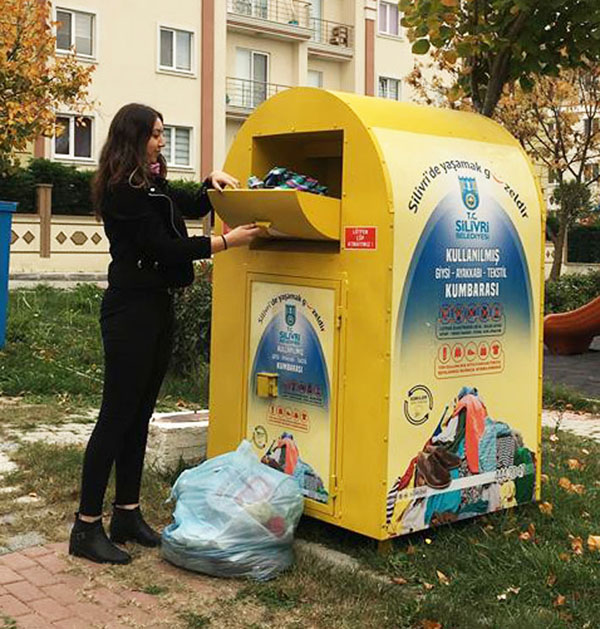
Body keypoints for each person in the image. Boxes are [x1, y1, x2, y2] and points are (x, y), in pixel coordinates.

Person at [69, 103, 261, 564]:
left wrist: (209, 186)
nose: (161, 140)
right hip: (130, 312)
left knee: (139, 416)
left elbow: (182, 207)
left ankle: (127, 514)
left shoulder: (149, 183)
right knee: (115, 417)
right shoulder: (122, 190)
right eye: (155, 134)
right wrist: (225, 244)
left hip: (155, 308)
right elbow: (163, 246)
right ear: (134, 137)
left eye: (161, 133)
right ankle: (86, 527)